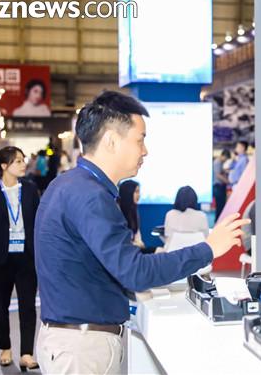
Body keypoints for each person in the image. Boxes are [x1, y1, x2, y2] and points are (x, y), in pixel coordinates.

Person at [34, 91, 248, 374]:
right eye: (139, 139)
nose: (144, 151)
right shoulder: (90, 196)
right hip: (82, 350)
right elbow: (134, 272)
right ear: (111, 140)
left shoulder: (68, 185)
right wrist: (207, 249)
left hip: (72, 341)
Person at [0, 146, 40, 370]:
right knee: (0, 305)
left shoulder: (31, 190)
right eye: (17, 161)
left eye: (23, 160)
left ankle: (27, 353)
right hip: (0, 258)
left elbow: (39, 224)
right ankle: (5, 348)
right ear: (4, 166)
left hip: (26, 257)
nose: (23, 164)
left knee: (28, 306)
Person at [118, 180, 155, 254]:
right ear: (128, 192)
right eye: (136, 192)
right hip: (125, 251)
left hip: (134, 249)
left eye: (139, 192)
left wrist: (140, 244)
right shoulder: (118, 212)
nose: (139, 195)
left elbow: (137, 236)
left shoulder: (134, 210)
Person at [212, 149, 231, 220]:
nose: (226, 160)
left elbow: (221, 172)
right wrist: (228, 181)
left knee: (220, 206)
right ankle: (218, 221)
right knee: (220, 206)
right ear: (223, 156)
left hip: (219, 187)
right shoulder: (217, 163)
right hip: (218, 187)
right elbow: (218, 175)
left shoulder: (219, 163)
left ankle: (218, 220)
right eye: (226, 159)